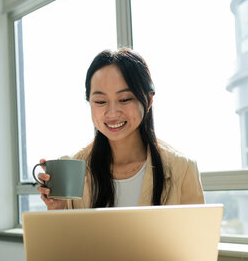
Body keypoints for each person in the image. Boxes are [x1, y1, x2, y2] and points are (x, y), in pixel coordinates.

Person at [37, 48, 204, 210]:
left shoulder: (182, 168)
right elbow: (67, 238)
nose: (112, 113)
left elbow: (197, 236)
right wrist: (57, 208)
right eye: (100, 101)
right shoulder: (76, 170)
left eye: (124, 99)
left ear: (148, 99)